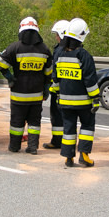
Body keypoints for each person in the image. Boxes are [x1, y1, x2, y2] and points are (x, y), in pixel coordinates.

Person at [0, 17, 53, 154]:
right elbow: (49, 73)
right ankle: (32, 147)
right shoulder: (45, 49)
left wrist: (9, 77)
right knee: (34, 123)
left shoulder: (15, 47)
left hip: (18, 96)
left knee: (17, 122)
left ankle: (14, 146)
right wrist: (46, 89)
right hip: (36, 96)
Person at [50, 18, 100, 167]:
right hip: (84, 103)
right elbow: (90, 80)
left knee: (68, 129)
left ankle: (68, 158)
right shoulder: (84, 55)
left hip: (65, 102)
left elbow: (55, 79)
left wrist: (58, 95)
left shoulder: (59, 54)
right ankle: (84, 156)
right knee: (87, 127)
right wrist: (95, 98)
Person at [42, 20, 69, 150]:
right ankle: (66, 141)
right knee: (68, 118)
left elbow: (55, 71)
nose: (56, 37)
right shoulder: (77, 49)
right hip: (70, 90)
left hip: (58, 91)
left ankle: (57, 141)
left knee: (57, 117)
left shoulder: (59, 50)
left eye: (57, 34)